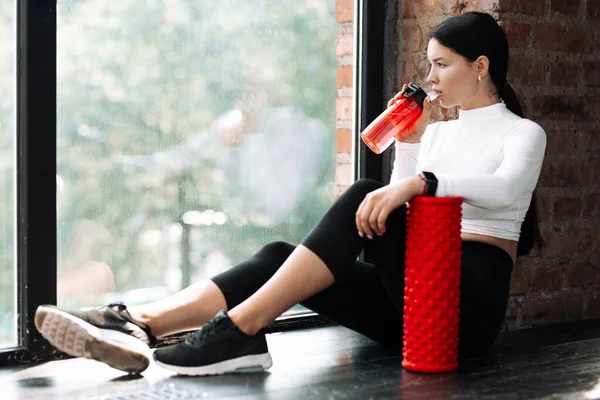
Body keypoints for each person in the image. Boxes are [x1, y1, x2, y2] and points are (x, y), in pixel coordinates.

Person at [34, 11, 547, 376]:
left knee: (367, 192)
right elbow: (393, 209)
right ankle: (141, 324)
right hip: (410, 304)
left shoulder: (522, 133)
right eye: (429, 64)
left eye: (442, 65)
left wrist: (420, 181)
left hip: (463, 314)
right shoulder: (437, 132)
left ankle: (241, 327)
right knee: (280, 254)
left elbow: (503, 191)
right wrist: (410, 151)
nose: (430, 78)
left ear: (480, 66)